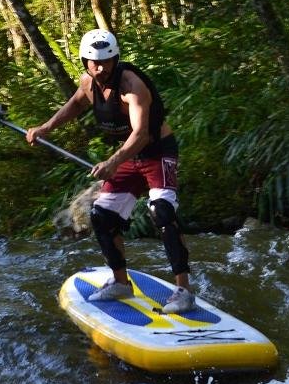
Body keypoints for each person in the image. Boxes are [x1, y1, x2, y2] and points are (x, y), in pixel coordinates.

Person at [27, 29, 195, 314]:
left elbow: (141, 135)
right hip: (127, 157)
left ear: (116, 59)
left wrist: (113, 162)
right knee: (101, 216)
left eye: (106, 62)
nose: (100, 68)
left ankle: (184, 290)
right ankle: (121, 284)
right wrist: (46, 128)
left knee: (162, 212)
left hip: (156, 151)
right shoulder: (88, 83)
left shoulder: (132, 86)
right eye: (93, 63)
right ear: (84, 63)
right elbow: (75, 104)